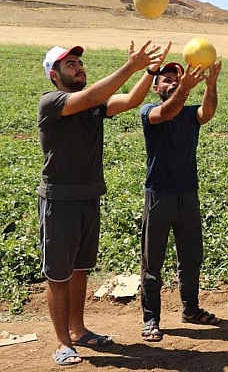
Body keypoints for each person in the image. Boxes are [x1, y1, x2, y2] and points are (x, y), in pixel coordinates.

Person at [37, 41, 165, 366]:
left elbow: (133, 100)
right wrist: (131, 66)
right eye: (70, 65)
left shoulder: (95, 104)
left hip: (89, 195)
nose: (78, 67)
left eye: (79, 62)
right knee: (58, 273)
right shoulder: (51, 102)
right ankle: (62, 342)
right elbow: (93, 95)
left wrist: (149, 71)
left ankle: (78, 330)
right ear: (54, 75)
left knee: (80, 269)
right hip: (60, 199)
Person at [139, 59, 223, 342]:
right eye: (167, 79)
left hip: (188, 194)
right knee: (153, 262)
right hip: (158, 196)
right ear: (155, 87)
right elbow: (168, 110)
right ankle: (151, 319)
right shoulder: (150, 111)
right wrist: (185, 88)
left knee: (191, 258)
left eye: (177, 77)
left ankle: (190, 309)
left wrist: (210, 85)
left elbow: (207, 112)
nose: (173, 81)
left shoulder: (188, 113)